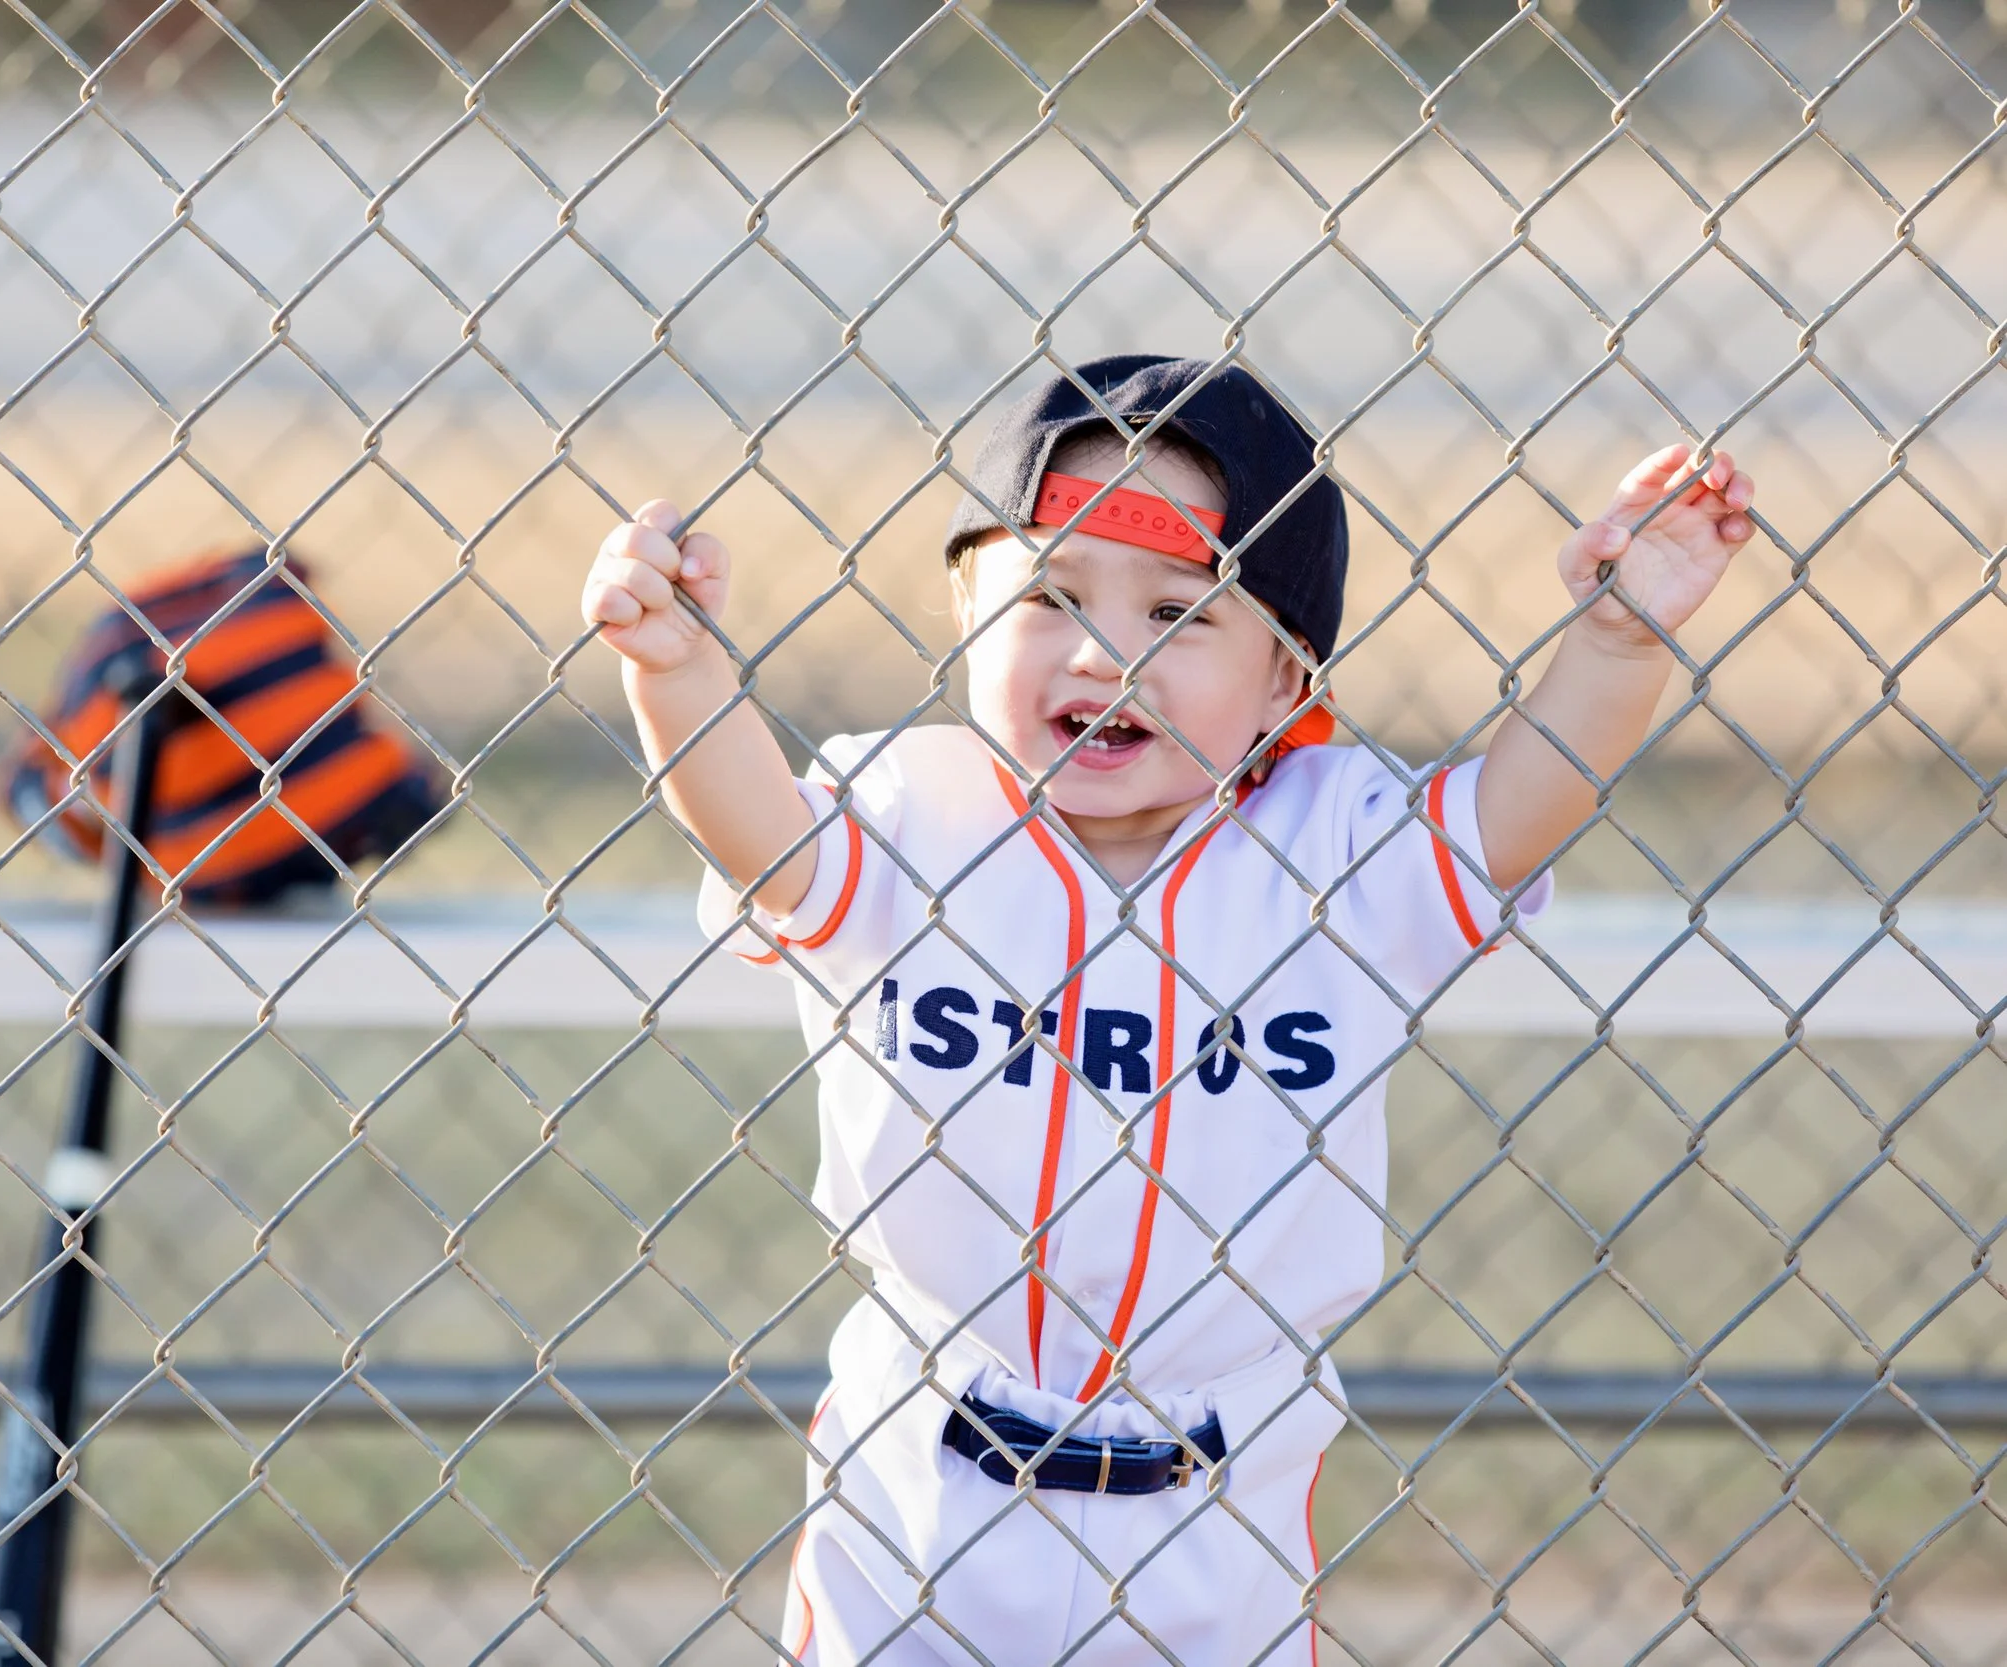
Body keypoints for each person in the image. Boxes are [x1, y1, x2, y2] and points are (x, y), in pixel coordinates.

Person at [579, 355, 1755, 1666]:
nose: (1100, 650)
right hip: (923, 1473)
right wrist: (674, 679)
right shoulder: (906, 811)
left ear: (1285, 683)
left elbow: (1521, 807)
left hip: (1218, 1492)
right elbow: (762, 843)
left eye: (1179, 613)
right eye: (1048, 592)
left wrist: (1618, 639)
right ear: (964, 620)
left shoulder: (1338, 854)